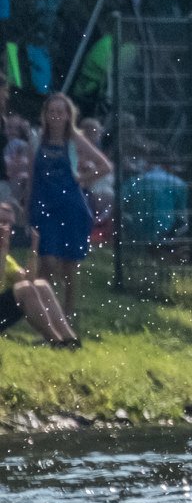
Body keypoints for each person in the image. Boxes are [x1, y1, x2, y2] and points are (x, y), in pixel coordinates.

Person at [23, 92, 110, 317]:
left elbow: (105, 166)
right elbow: (32, 177)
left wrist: (82, 178)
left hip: (71, 207)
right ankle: (42, 313)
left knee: (69, 267)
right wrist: (27, 208)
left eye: (60, 112)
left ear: (67, 115)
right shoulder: (37, 140)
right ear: (45, 114)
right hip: (44, 206)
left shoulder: (74, 140)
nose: (55, 116)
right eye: (51, 111)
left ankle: (67, 315)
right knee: (48, 261)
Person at [0, 198, 80, 347]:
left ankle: (69, 339)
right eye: (2, 222)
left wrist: (34, 249)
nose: (6, 227)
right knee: (25, 290)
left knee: (40, 284)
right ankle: (55, 341)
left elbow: (28, 280)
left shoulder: (6, 256)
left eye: (10, 224)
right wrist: (3, 249)